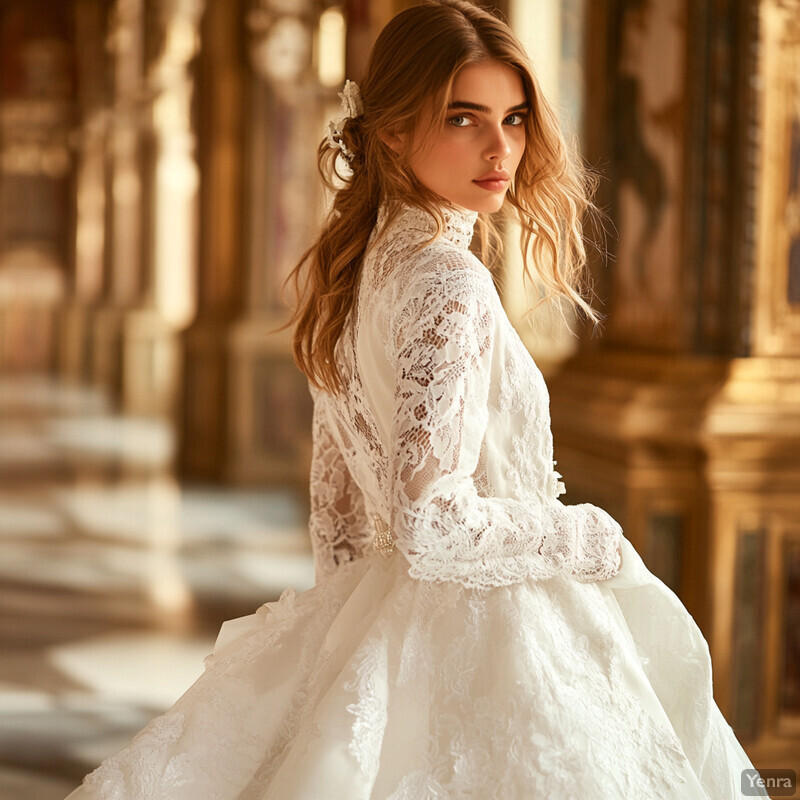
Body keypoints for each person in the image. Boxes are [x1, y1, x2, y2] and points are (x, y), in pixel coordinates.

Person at [65, 1, 764, 797]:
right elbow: (430, 520)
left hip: (396, 622)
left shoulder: (359, 273)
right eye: (464, 118)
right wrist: (585, 535)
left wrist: (355, 652)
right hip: (496, 636)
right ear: (391, 129)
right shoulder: (450, 281)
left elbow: (336, 516)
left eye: (514, 117)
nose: (501, 147)